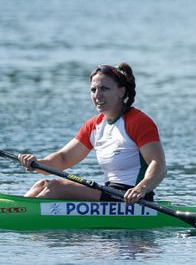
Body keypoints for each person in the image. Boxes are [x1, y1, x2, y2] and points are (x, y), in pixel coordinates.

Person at [17, 63, 167, 205]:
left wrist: (140, 189)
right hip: (110, 193)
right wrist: (36, 164)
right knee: (42, 184)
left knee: (57, 187)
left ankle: (21, 218)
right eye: (93, 90)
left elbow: (158, 164)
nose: (97, 95)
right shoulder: (94, 125)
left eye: (104, 89)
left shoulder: (138, 121)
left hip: (134, 198)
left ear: (121, 92)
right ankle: (15, 209)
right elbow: (63, 159)